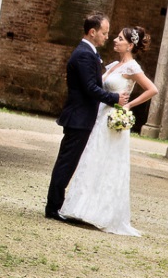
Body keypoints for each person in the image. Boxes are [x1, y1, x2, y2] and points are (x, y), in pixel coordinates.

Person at [59, 26, 159, 235]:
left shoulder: (132, 67)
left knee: (107, 162)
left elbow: (152, 89)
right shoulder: (113, 65)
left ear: (130, 45)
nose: (114, 40)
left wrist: (129, 106)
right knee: (91, 159)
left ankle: (100, 212)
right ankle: (80, 207)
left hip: (113, 120)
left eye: (120, 38)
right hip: (99, 116)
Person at [44, 13, 128, 221]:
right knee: (66, 163)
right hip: (78, 117)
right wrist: (115, 98)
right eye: (104, 33)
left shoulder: (89, 53)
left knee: (69, 162)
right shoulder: (84, 54)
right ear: (93, 32)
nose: (107, 37)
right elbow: (90, 88)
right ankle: (53, 208)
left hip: (82, 117)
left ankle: (56, 205)